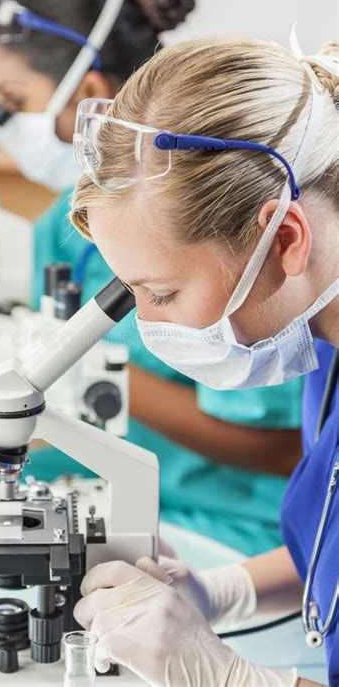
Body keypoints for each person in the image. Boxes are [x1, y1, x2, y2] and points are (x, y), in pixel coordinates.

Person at [0, 0, 305, 556]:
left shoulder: (217, 227)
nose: (5, 126)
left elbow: (288, 448)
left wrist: (90, 375)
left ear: (86, 89)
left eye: (14, 101)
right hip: (118, 488)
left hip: (234, 527)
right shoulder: (70, 222)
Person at [69, 34, 338, 685]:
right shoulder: (322, 349)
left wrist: (222, 674)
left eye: (160, 292)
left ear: (285, 239)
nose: (147, 320)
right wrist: (221, 591)